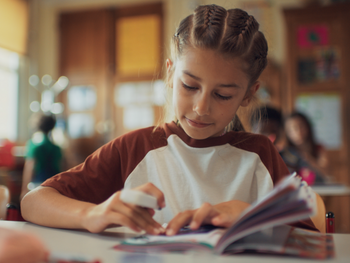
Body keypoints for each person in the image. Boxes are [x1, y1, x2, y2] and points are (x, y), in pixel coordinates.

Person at [21, 5, 322, 236]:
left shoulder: (260, 154)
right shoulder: (135, 147)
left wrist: (252, 216)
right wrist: (92, 214)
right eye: (190, 86)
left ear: (248, 94)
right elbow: (34, 201)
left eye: (223, 95)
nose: (201, 107)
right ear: (170, 74)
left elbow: (313, 239)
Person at [20, 113, 63, 200]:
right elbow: (62, 168)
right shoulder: (56, 148)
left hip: (37, 185)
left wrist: (24, 190)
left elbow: (30, 168)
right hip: (54, 185)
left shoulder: (33, 145)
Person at [283, 112, 329, 185]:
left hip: (317, 192)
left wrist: (309, 159)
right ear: (287, 132)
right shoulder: (284, 152)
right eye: (292, 129)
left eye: (301, 126)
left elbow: (326, 173)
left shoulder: (318, 149)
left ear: (308, 127)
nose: (298, 132)